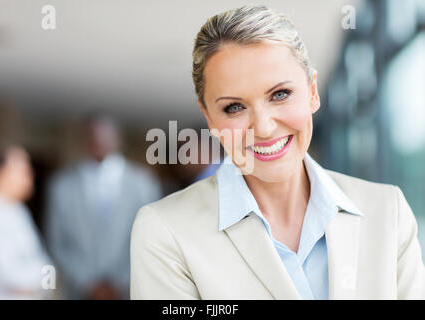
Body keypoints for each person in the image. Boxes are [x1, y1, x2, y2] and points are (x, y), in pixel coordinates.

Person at [130, 5, 425, 299]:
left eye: (280, 94)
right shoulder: (165, 232)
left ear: (312, 92)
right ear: (210, 119)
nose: (264, 128)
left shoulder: (388, 211)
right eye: (234, 107)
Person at [45, 113, 161, 299]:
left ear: (117, 139)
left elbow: (151, 237)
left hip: (129, 289)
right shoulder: (61, 186)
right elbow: (57, 242)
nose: (98, 141)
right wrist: (87, 282)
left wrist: (120, 281)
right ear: (83, 139)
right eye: (92, 135)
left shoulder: (144, 183)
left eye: (104, 135)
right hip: (80, 291)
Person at [0, 145, 51, 299]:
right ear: (0, 173)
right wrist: (41, 278)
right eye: (24, 170)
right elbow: (10, 276)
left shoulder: (19, 211)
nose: (30, 176)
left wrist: (42, 280)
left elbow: (46, 265)